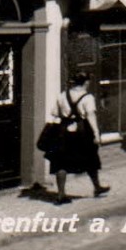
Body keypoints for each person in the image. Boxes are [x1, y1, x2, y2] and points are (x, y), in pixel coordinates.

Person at [47, 72, 108, 204]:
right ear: (86, 82)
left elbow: (54, 113)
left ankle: (61, 194)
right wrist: (96, 133)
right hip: (82, 130)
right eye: (88, 82)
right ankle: (97, 187)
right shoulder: (88, 98)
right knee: (90, 157)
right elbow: (91, 115)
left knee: (61, 161)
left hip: (63, 130)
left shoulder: (62, 95)